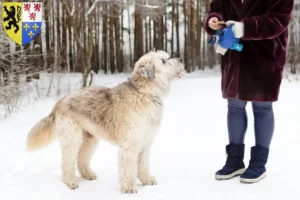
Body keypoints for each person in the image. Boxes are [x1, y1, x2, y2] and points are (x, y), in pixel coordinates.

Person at [204, 0, 294, 183]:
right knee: (234, 106)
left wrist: (245, 28)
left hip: (265, 56)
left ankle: (258, 164)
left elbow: (279, 19)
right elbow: (217, 9)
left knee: (262, 108)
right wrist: (214, 20)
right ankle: (235, 160)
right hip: (234, 57)